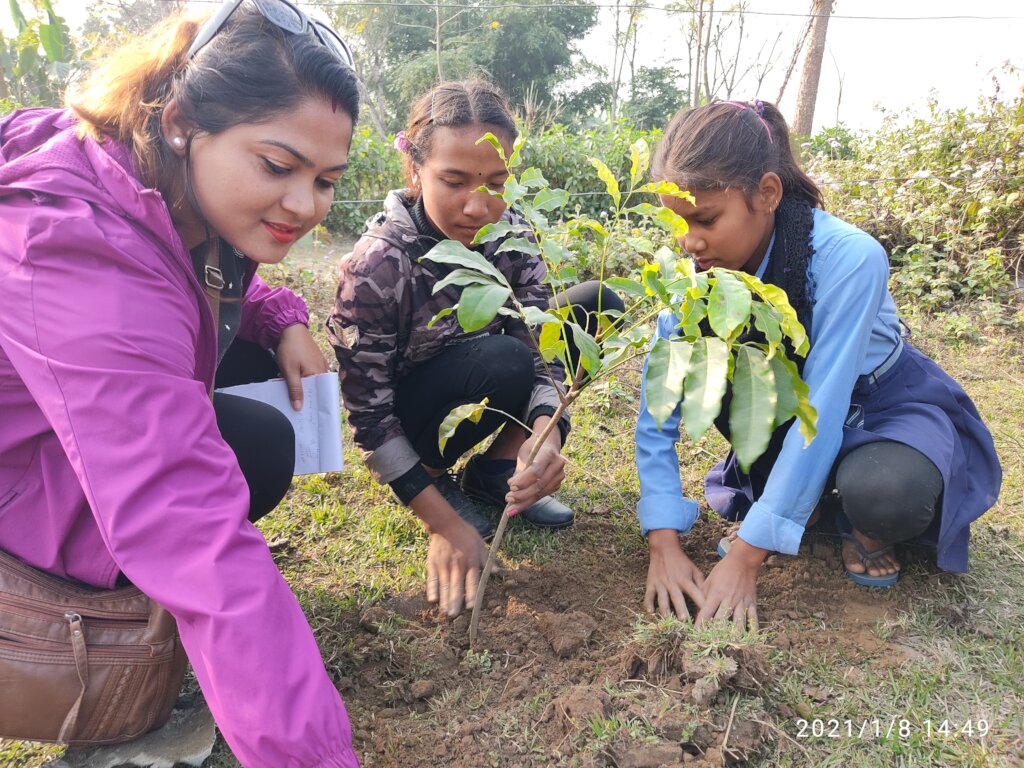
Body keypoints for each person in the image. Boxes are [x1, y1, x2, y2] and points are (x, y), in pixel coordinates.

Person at [0, 1, 362, 765]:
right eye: (277, 166)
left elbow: (188, 256)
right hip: (17, 484)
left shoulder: (143, 170)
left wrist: (285, 316)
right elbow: (190, 522)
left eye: (327, 179)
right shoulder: (77, 250)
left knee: (261, 439)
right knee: (201, 519)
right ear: (180, 120)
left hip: (47, 437)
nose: (304, 205)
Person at [635, 99, 1001, 629]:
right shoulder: (694, 272)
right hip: (793, 410)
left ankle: (861, 528)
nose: (688, 241)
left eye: (706, 219)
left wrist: (746, 556)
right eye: (677, 220)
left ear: (767, 193)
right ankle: (801, 507)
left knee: (887, 494)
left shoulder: (850, 258)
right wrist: (663, 540)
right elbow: (659, 409)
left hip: (878, 404)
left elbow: (824, 406)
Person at [329, 80, 624, 618]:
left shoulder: (509, 233)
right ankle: (439, 482)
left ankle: (499, 469)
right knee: (501, 357)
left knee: (595, 305)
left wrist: (547, 432)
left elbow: (542, 346)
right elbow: (369, 419)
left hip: (491, 380)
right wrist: (444, 524)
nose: (478, 205)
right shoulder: (375, 268)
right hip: (414, 423)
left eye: (495, 182)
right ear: (415, 171)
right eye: (455, 181)